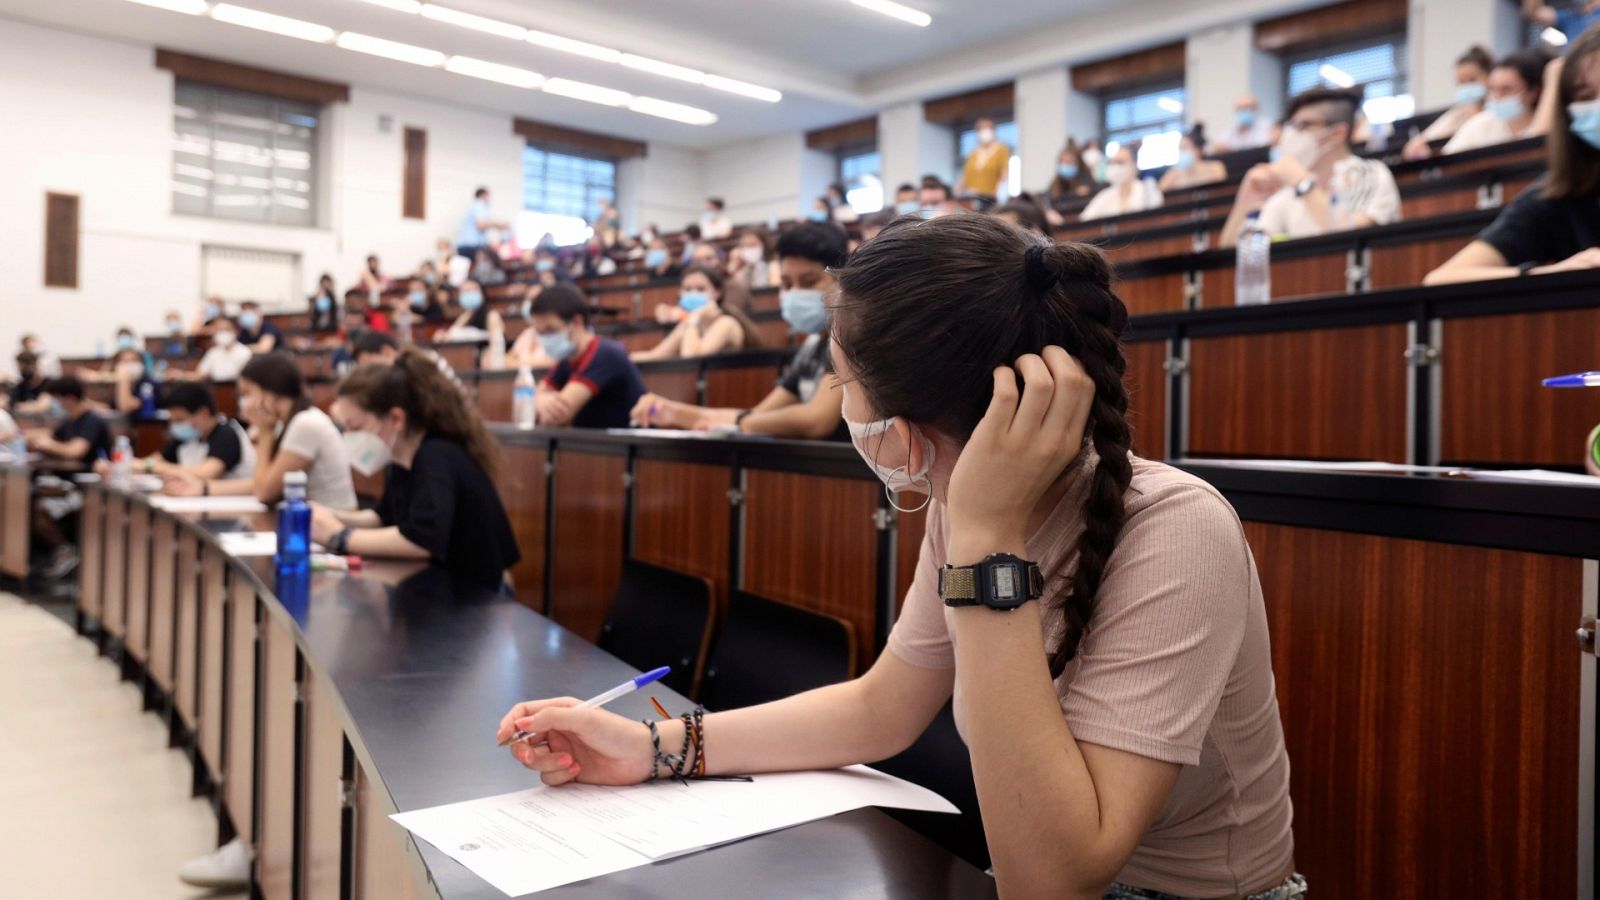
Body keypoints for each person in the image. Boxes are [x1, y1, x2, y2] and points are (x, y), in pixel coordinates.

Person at [500, 214, 1299, 899]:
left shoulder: (1173, 530)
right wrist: (649, 749)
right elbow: (880, 707)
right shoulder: (964, 504)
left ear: (906, 427)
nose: (843, 408)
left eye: (845, 383)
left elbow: (1053, 880)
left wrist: (990, 541)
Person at [309, 351, 519, 586]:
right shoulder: (400, 458)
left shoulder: (436, 456)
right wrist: (332, 516)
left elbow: (421, 540)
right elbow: (385, 517)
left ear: (396, 419)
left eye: (356, 427)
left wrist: (340, 536)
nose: (350, 437)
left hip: (480, 596)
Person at [630, 222, 848, 439]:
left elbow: (816, 421)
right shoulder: (812, 345)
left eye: (809, 282)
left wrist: (739, 422)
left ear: (843, 280)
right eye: (787, 284)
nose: (795, 292)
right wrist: (673, 412)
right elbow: (758, 415)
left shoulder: (848, 337)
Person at [1425, 25, 1600, 285]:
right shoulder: (1557, 194)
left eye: (1506, 89)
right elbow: (1440, 280)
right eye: (1586, 96)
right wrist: (1548, 274)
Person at [166, 354, 356, 509]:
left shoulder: (305, 424)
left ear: (269, 391)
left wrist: (264, 432)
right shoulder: (286, 423)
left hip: (331, 526)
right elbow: (259, 483)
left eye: (247, 393)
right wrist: (204, 488)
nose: (244, 402)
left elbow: (263, 492)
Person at [1221, 88, 1401, 246]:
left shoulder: (1370, 173)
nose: (1291, 135)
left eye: (1303, 126)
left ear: (1338, 134)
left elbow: (1351, 242)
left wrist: (1303, 183)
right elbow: (1233, 254)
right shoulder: (1288, 190)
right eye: (1290, 126)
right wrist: (1244, 203)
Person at [25, 376, 111, 580]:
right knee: (24, 498)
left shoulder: (92, 421)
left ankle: (65, 551)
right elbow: (52, 438)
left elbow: (75, 451)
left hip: (85, 486)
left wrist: (48, 444)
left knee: (37, 508)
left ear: (70, 398)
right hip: (60, 481)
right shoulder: (69, 421)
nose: (56, 404)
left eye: (57, 399)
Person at [527, 284, 646, 429]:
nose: (545, 338)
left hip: (631, 446)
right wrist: (539, 399)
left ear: (577, 322)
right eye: (540, 332)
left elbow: (556, 416)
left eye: (550, 329)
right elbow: (538, 394)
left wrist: (538, 400)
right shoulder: (567, 359)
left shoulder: (606, 354)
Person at [113, 382, 254, 480]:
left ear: (203, 413)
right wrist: (120, 466)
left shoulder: (226, 433)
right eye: (173, 420)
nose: (175, 426)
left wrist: (153, 467)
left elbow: (206, 473)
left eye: (180, 420)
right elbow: (155, 461)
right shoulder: (186, 437)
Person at [1441, 46, 1555, 155]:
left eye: (1506, 89)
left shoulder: (1550, 125)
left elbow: (1534, 147)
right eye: (1492, 88)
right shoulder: (1483, 123)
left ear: (1533, 92)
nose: (1496, 97)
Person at [632, 266, 762, 361]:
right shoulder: (690, 323)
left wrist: (695, 317)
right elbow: (655, 356)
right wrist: (621, 357)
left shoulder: (726, 323)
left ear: (717, 293)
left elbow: (692, 358)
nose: (693, 294)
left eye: (701, 289)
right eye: (687, 289)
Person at [1403, 46, 1494, 159]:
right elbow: (1416, 145)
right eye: (1461, 82)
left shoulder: (1497, 114)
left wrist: (1474, 117)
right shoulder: (1457, 113)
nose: (1466, 87)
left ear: (1491, 77)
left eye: (1472, 80)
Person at [1081, 144, 1164, 221]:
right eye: (1112, 163)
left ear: (1134, 165)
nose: (1115, 167)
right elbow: (1085, 221)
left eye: (1120, 162)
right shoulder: (1104, 196)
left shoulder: (1148, 191)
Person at [173, 319, 253, 383]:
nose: (222, 333)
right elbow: (200, 375)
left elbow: (250, 380)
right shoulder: (213, 353)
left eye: (226, 330)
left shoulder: (245, 353)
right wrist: (181, 375)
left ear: (236, 331)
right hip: (218, 391)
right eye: (219, 330)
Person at [1157, 125, 1228, 192]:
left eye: (1184, 148)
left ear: (1198, 150)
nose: (1181, 153)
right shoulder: (1173, 174)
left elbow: (1221, 190)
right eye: (1180, 149)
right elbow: (1159, 192)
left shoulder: (1215, 167)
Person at [957, 117, 1011, 204]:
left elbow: (1004, 175)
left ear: (994, 130)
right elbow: (965, 177)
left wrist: (1000, 196)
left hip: (990, 199)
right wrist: (957, 194)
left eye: (988, 128)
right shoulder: (973, 153)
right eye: (981, 128)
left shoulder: (1001, 150)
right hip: (971, 198)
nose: (984, 131)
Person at [456, 186, 506, 260]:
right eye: (488, 196)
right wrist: (498, 225)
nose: (489, 199)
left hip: (466, 246)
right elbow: (481, 224)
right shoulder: (479, 205)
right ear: (483, 195)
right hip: (471, 246)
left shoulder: (474, 206)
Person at [1046, 139, 1101, 205]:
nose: (1065, 165)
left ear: (1079, 164)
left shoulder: (1088, 184)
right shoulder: (1056, 184)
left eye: (1069, 162)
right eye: (1062, 162)